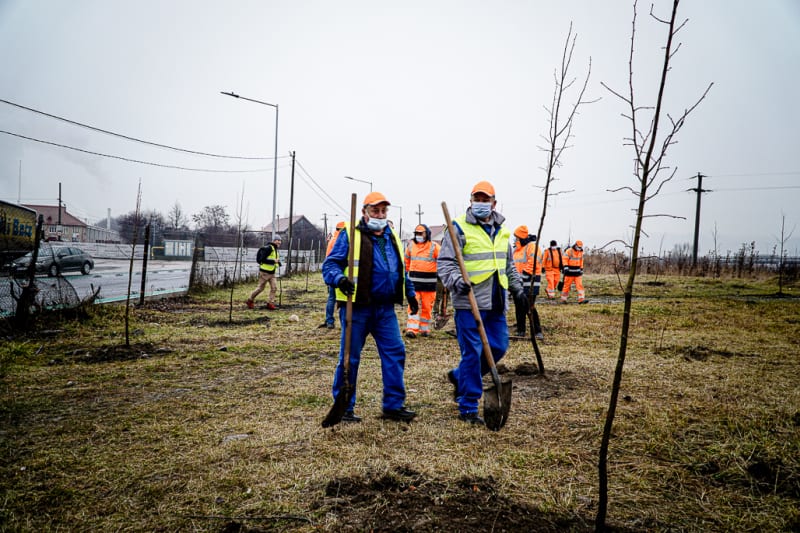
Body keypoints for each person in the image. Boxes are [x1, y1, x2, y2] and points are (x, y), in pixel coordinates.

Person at [322, 191, 419, 423]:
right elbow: (330, 265)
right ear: (365, 212)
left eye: (384, 210)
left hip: (385, 310)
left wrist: (411, 293)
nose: (380, 214)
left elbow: (401, 270)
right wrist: (339, 280)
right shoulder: (349, 234)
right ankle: (344, 408)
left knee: (395, 352)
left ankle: (393, 406)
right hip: (357, 307)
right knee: (349, 358)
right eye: (375, 210)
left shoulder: (391, 235)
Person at [437, 180, 527, 426]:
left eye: (485, 199)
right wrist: (457, 281)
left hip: (497, 302)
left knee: (498, 347)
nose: (481, 203)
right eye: (477, 199)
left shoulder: (502, 230)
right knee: (472, 353)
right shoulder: (459, 228)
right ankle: (467, 406)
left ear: (494, 203)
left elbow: (508, 265)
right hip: (469, 302)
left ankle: (459, 377)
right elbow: (445, 263)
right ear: (471, 201)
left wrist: (518, 289)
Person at [404, 224, 440, 338]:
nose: (418, 236)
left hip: (429, 285)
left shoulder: (435, 247)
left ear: (427, 234)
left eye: (421, 233)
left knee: (427, 307)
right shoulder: (410, 246)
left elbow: (442, 261)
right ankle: (411, 329)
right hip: (414, 284)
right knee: (413, 306)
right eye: (417, 234)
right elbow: (406, 262)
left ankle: (424, 329)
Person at [511, 225, 544, 340]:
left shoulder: (532, 247)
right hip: (518, 284)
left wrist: (522, 276)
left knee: (529, 307)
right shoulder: (516, 250)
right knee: (519, 306)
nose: (515, 239)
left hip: (530, 283)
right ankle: (521, 330)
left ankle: (537, 330)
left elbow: (534, 263)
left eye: (517, 237)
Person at [320, 221, 346, 329]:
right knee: (341, 300)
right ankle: (343, 323)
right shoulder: (340, 241)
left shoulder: (332, 240)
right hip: (338, 274)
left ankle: (329, 321)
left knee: (331, 298)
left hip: (331, 273)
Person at [246, 236, 282, 310]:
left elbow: (274, 260)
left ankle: (270, 303)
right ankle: (250, 300)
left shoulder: (275, 249)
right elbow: (262, 260)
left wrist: (278, 263)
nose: (279, 242)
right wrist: (273, 261)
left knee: (274, 288)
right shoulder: (269, 248)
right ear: (274, 241)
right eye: (278, 240)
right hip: (264, 272)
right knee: (260, 288)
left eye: (280, 240)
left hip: (272, 273)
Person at [561, 239, 586, 304]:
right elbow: (564, 259)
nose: (579, 248)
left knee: (580, 286)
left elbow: (581, 261)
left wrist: (581, 269)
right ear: (575, 245)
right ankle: (563, 300)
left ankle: (581, 300)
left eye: (580, 247)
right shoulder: (569, 251)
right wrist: (565, 267)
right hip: (569, 272)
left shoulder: (581, 252)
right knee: (566, 286)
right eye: (578, 247)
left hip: (577, 273)